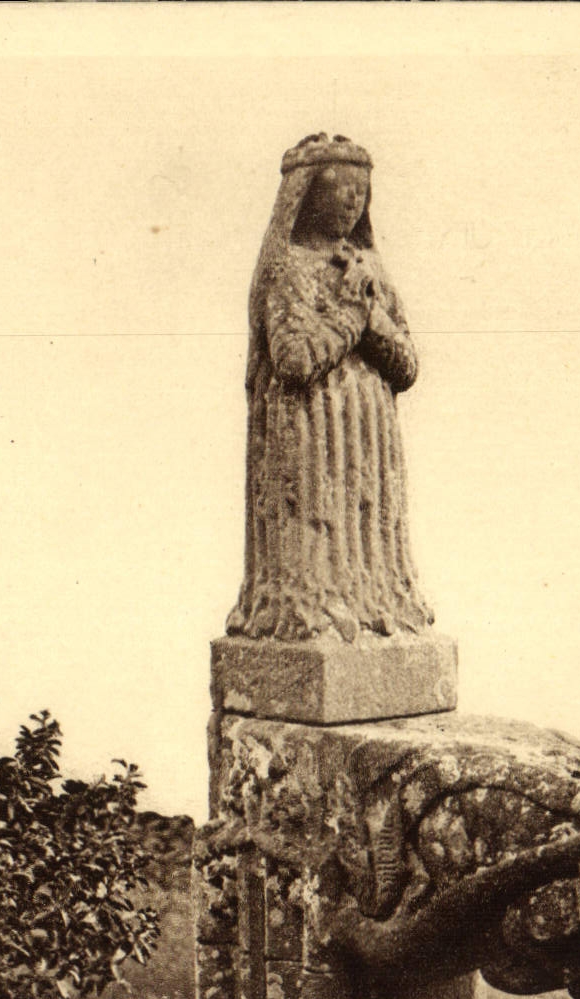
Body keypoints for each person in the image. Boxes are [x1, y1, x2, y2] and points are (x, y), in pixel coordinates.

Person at [226, 133, 434, 643]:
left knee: (367, 525)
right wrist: (352, 311)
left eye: (361, 191)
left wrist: (373, 316)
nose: (352, 200)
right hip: (312, 433)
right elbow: (294, 361)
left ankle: (374, 606)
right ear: (306, 194)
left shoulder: (371, 268)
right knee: (317, 524)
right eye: (340, 187)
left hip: (367, 437)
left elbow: (406, 367)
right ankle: (310, 610)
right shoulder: (288, 269)